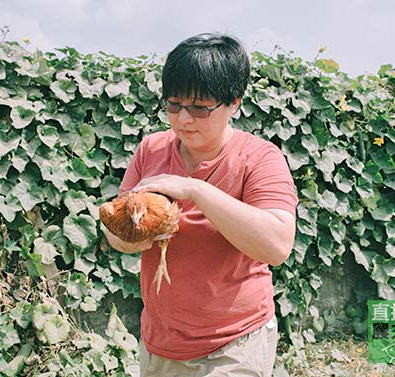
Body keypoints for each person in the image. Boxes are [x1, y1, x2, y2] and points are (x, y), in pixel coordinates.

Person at [103, 32, 298, 377]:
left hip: (234, 343)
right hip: (161, 344)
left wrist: (195, 190)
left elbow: (277, 245)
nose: (183, 119)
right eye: (174, 105)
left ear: (234, 102)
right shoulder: (151, 150)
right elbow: (117, 236)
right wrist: (131, 235)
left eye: (199, 108)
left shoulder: (260, 158)